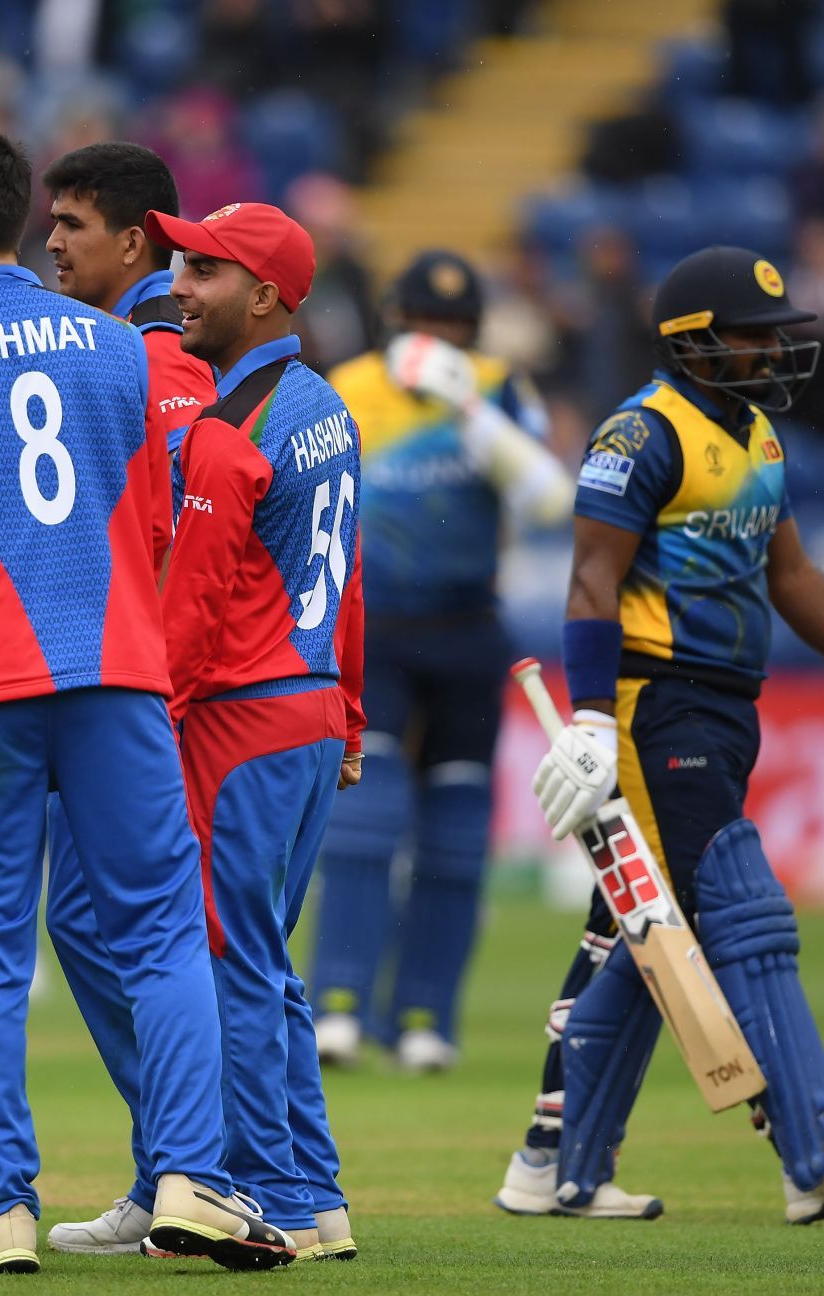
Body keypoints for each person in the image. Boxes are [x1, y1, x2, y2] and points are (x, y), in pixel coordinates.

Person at [0, 127, 292, 1274]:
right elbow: (159, 515)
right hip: (118, 677)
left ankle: (0, 1213)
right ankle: (195, 1181)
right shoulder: (119, 348)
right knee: (161, 936)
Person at [496, 245, 824, 1224]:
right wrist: (589, 715)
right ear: (693, 343)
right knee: (738, 905)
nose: (773, 352)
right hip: (650, 701)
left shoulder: (755, 438)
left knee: (646, 930)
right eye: (754, 336)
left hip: (725, 707)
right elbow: (592, 579)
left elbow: (789, 574)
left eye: (776, 334)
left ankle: (560, 1166)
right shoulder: (642, 431)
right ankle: (815, 1154)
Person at [149, 200, 366, 1259]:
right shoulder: (327, 404)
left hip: (240, 721)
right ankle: (314, 1189)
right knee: (265, 959)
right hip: (313, 709)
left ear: (268, 296)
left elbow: (186, 620)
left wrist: (144, 729)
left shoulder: (229, 437)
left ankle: (275, 1196)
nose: (179, 286)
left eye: (204, 271)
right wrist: (353, 708)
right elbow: (349, 578)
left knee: (229, 959)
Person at [310, 250, 572, 1074]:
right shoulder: (350, 386)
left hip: (467, 626)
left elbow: (548, 503)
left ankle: (426, 1017)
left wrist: (467, 407)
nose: (441, 338)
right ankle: (339, 1006)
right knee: (366, 815)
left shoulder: (496, 388)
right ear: (397, 320)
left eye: (456, 326)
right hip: (375, 625)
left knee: (458, 831)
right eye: (427, 324)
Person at [30, 141, 221, 1259]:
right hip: (122, 680)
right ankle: (177, 1166)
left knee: (153, 929)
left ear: (137, 239)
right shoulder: (127, 348)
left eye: (75, 222)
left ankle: (199, 1168)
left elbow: (185, 521)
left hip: (142, 688)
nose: (52, 240)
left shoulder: (151, 356)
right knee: (96, 923)